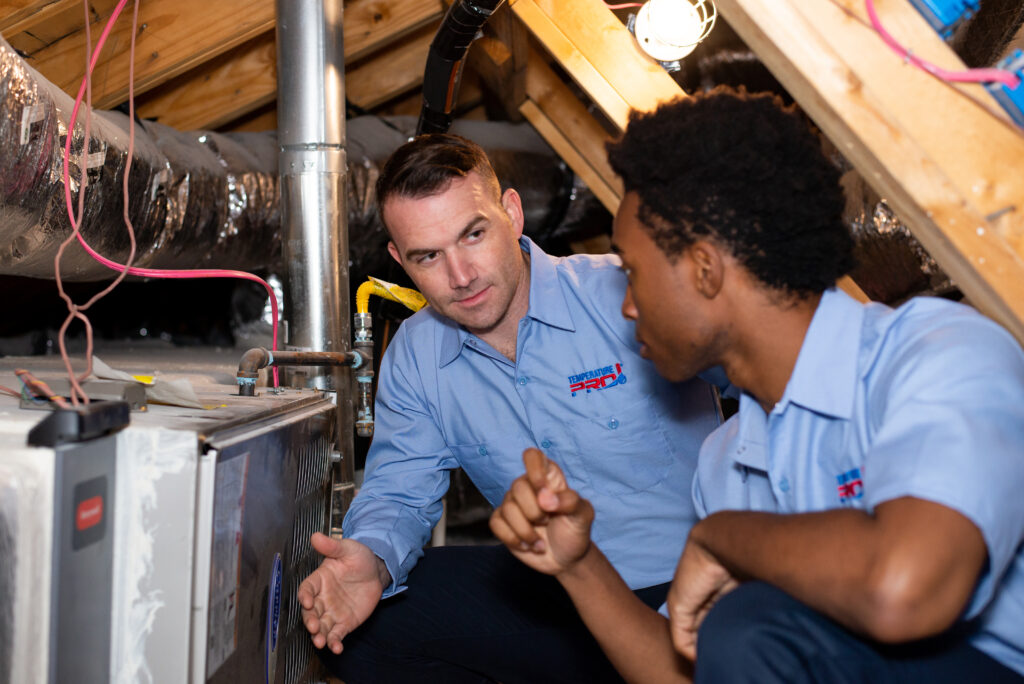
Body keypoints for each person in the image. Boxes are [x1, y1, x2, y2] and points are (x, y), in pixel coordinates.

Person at [490, 87, 1024, 683]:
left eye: (634, 273)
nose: (629, 307)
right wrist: (578, 563)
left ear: (704, 269)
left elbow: (904, 591)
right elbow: (690, 672)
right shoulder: (729, 461)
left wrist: (722, 538)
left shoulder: (937, 355)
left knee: (749, 622)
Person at [296, 133, 723, 683]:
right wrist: (372, 560)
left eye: (473, 235)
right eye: (429, 256)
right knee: (369, 631)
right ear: (400, 261)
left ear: (512, 213)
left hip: (688, 588)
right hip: (556, 596)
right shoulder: (416, 353)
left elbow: (757, 374)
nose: (461, 276)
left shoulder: (624, 293)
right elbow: (399, 491)